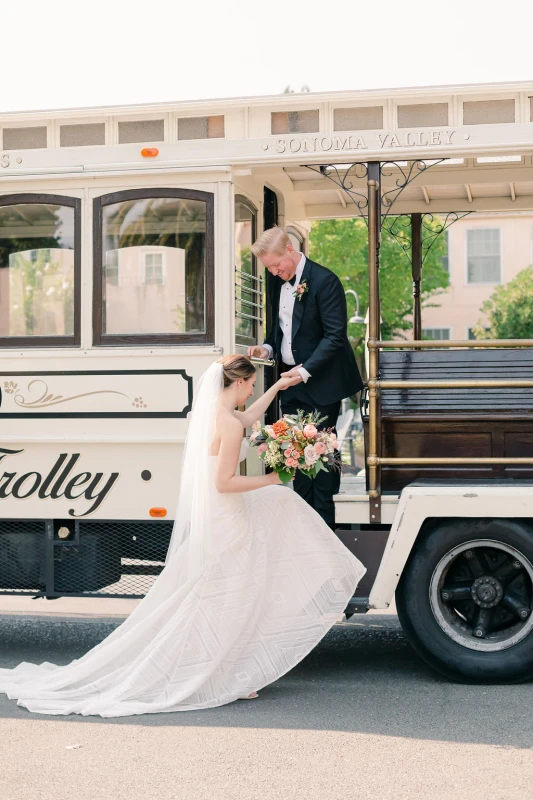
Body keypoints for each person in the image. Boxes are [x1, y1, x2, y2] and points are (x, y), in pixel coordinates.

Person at [0, 356, 365, 717]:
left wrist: (276, 387)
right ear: (238, 383)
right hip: (228, 516)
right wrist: (272, 479)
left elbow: (251, 416)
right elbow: (224, 483)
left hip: (225, 514)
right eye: (251, 384)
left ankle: (228, 670)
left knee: (232, 588)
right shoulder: (228, 423)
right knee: (231, 592)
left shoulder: (218, 415)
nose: (252, 390)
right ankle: (220, 673)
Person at [248, 227, 363, 530]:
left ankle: (325, 530)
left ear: (289, 249)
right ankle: (303, 529)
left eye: (276, 265)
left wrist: (304, 371)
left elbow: (335, 337)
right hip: (291, 384)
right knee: (295, 456)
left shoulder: (325, 281)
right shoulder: (277, 283)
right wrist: (267, 347)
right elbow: (279, 330)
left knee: (321, 458)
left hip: (322, 383)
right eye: (269, 268)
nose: (274, 272)